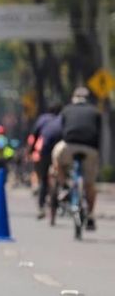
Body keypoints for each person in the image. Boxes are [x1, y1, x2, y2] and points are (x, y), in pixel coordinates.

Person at [53, 87, 101, 230]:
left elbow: (60, 131)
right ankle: (91, 216)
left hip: (69, 146)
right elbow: (99, 133)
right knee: (90, 185)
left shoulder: (66, 110)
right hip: (90, 149)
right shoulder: (96, 111)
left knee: (56, 155)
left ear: (74, 98)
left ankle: (63, 185)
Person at [28, 103, 62, 219]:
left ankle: (41, 207)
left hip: (45, 150)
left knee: (43, 179)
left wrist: (31, 151)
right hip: (60, 150)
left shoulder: (43, 119)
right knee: (61, 175)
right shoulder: (62, 119)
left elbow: (35, 135)